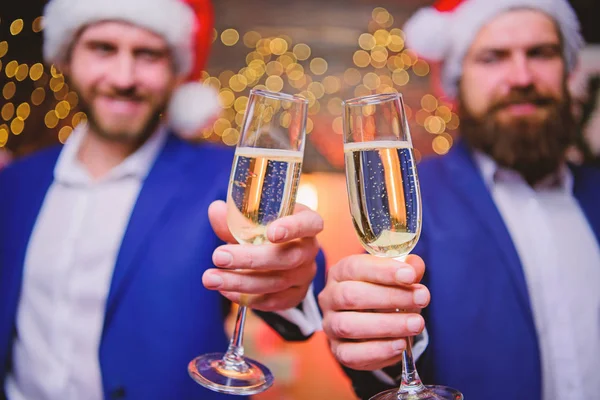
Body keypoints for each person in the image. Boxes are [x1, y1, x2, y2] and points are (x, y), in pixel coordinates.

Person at [0, 0, 325, 399]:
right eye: (102, 48)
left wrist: (293, 277)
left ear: (177, 71)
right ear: (67, 57)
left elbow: (305, 287)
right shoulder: (15, 182)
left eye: (147, 54)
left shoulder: (227, 179)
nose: (123, 77)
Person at [318, 0, 600, 399]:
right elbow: (382, 359)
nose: (521, 76)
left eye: (540, 53)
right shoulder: (412, 198)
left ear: (568, 69)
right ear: (456, 80)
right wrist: (374, 346)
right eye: (492, 57)